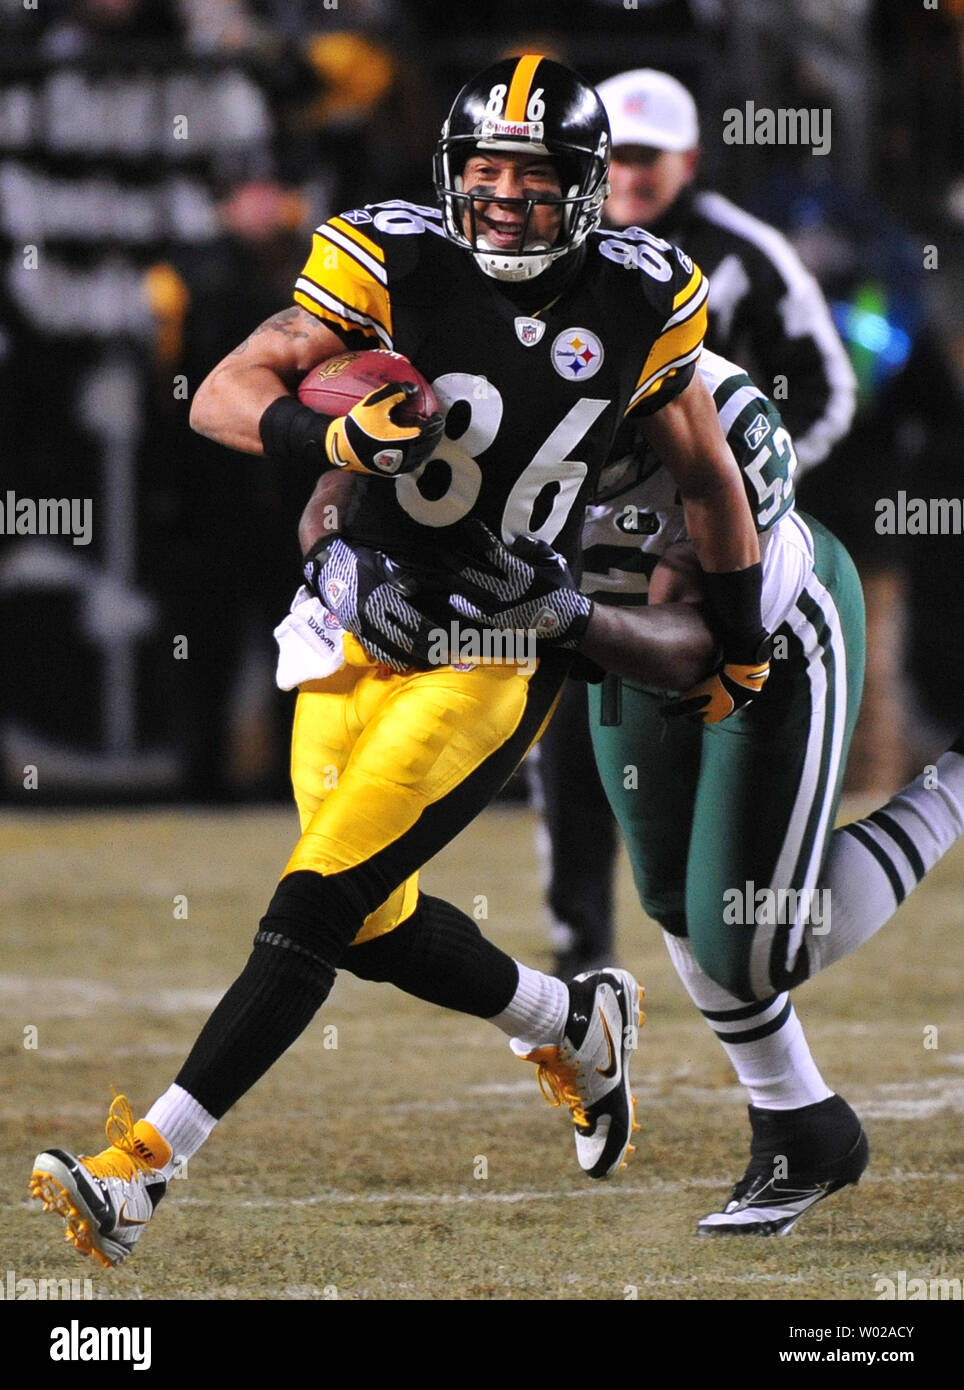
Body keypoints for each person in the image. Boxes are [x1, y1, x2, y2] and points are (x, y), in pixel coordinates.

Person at [29, 54, 762, 1267]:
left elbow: (706, 477)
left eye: (532, 180)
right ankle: (568, 1022)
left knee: (314, 900)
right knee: (369, 916)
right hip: (357, 615)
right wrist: (329, 434)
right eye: (483, 175)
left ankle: (140, 1169)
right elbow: (219, 395)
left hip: (494, 643)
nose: (505, 202)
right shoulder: (388, 254)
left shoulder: (644, 293)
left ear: (584, 190)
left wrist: (735, 646)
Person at [308, 346, 964, 1235]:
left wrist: (558, 616)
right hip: (608, 650)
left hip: (753, 640)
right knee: (672, 897)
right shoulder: (472, 381)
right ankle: (801, 1126)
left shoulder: (714, 417)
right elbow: (330, 486)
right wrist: (339, 570)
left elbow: (699, 636)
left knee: (753, 943)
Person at [536, 66, 859, 982]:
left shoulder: (741, 252)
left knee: (716, 734)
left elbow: (827, 387)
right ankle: (582, 939)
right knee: (569, 738)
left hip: (713, 551)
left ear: (689, 159)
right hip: (582, 541)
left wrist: (745, 496)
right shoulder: (560, 246)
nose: (631, 174)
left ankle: (735, 928)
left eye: (649, 156)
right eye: (617, 154)